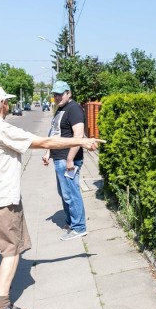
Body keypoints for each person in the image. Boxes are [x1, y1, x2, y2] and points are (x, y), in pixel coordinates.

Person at [0, 86, 103, 309]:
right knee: (11, 250)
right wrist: (83, 140)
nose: (7, 105)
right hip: (3, 200)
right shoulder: (1, 128)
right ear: (3, 105)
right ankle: (2, 302)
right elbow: (44, 141)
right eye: (6, 102)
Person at [44, 81, 89, 241]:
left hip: (68, 159)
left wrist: (70, 158)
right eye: (55, 94)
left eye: (60, 94)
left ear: (68, 93)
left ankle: (79, 227)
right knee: (64, 193)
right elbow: (55, 132)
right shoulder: (61, 109)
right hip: (59, 157)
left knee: (71, 193)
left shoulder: (74, 108)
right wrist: (48, 151)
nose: (57, 97)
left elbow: (78, 136)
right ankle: (71, 223)